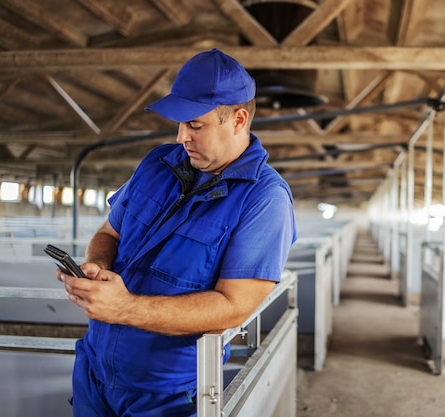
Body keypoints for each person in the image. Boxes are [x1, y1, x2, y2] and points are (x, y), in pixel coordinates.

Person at [57, 48, 297, 416]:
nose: (182, 136)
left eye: (195, 125)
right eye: (180, 124)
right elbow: (109, 234)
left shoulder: (265, 199)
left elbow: (234, 307)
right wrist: (96, 266)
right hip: (95, 371)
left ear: (238, 119)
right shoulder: (157, 163)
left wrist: (124, 308)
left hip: (169, 393)